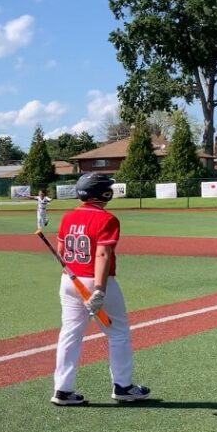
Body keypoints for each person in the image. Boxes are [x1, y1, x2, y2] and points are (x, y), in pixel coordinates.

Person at [52, 173, 150, 406]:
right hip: (93, 282)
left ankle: (63, 390)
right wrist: (99, 289)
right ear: (103, 193)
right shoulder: (107, 219)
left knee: (70, 334)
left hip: (70, 280)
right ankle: (123, 386)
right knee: (118, 333)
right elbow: (103, 254)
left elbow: (60, 251)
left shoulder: (68, 217)